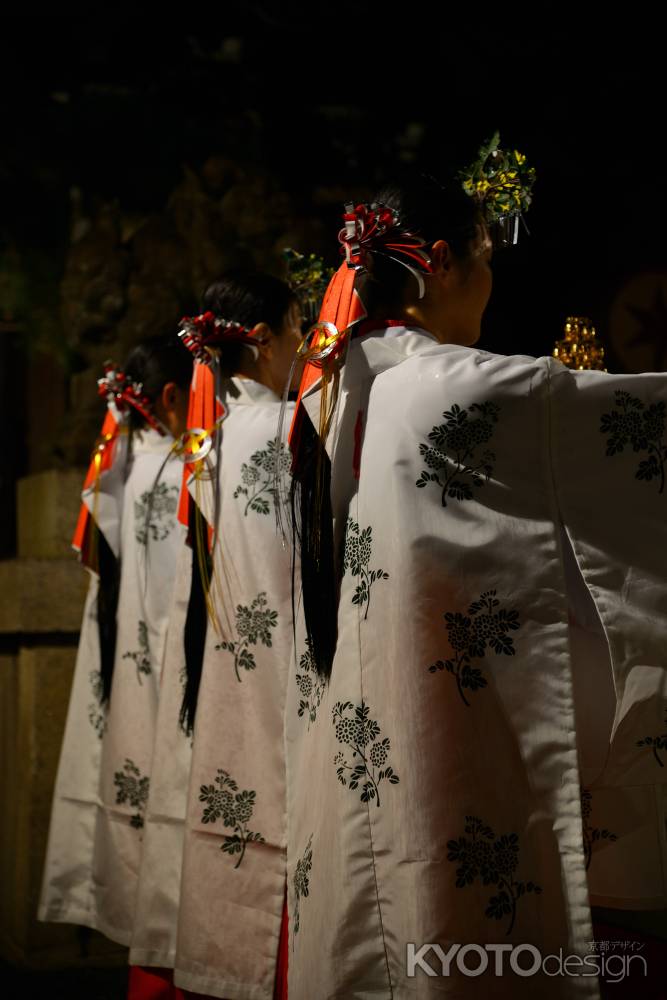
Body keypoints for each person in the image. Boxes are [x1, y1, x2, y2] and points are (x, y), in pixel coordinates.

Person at [284, 173, 667, 998]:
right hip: (442, 721)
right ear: (443, 263)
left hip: (358, 718)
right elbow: (628, 443)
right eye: (487, 256)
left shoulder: (331, 387)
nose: (494, 280)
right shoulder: (450, 386)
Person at [133, 270, 302, 1000]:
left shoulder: (202, 441)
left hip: (207, 675)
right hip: (274, 678)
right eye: (299, 329)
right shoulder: (289, 429)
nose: (306, 345)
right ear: (263, 342)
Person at [39, 336, 192, 949]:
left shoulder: (123, 469)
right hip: (161, 661)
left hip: (125, 658)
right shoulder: (175, 471)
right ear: (175, 397)